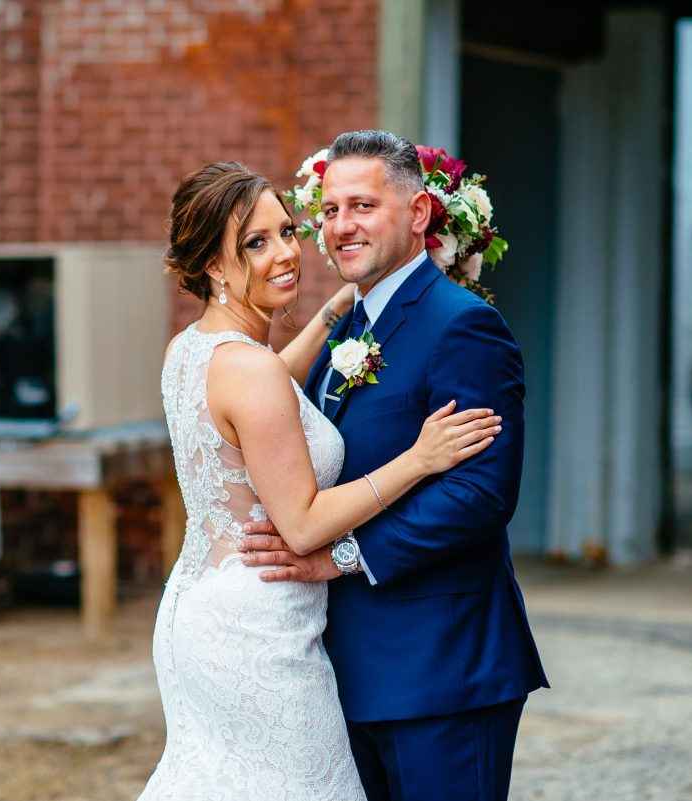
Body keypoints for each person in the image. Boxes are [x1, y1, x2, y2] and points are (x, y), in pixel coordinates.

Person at [140, 160, 503, 800]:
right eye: (256, 243)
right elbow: (303, 524)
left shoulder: (190, 350)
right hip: (260, 629)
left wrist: (341, 306)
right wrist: (419, 459)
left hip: (197, 609)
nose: (286, 253)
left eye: (287, 231)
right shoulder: (251, 373)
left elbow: (269, 388)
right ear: (215, 266)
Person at [239, 130, 550, 801]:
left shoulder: (463, 325)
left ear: (417, 214)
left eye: (363, 206)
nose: (341, 225)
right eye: (330, 210)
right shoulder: (349, 324)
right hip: (345, 668)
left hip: (440, 670)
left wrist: (341, 556)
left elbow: (481, 492)